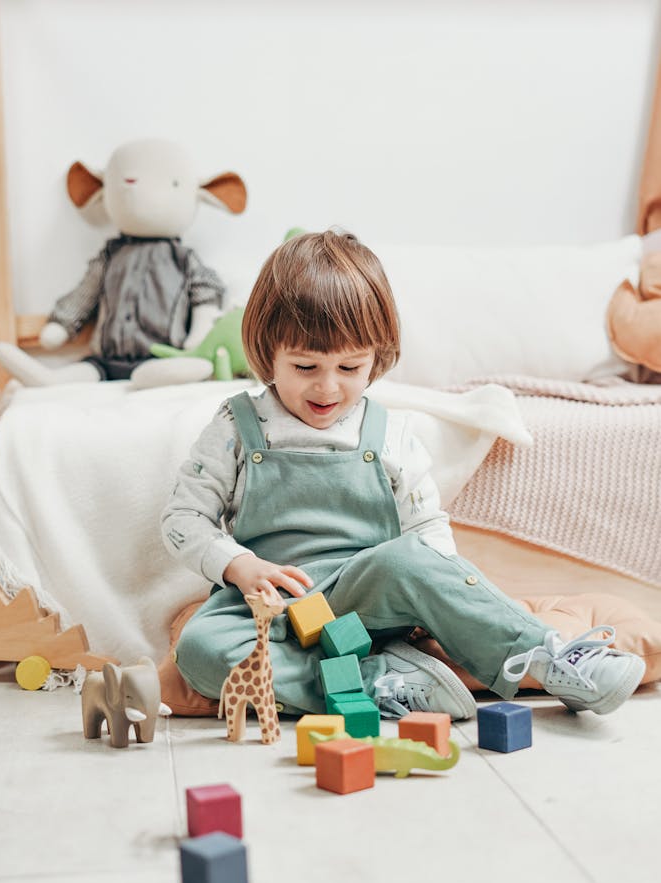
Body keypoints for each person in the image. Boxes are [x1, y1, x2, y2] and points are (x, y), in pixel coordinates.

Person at [161, 230, 645, 721]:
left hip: (362, 599)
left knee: (410, 558)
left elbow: (426, 533)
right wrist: (239, 566)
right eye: (305, 366)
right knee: (201, 649)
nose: (328, 387)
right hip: (268, 607)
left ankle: (550, 657)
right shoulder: (236, 426)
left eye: (350, 366)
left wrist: (442, 602)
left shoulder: (388, 433)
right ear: (268, 352)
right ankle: (380, 682)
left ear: (378, 356)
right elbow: (184, 518)